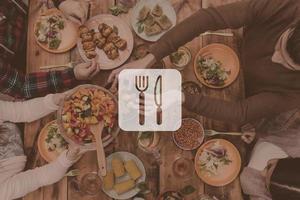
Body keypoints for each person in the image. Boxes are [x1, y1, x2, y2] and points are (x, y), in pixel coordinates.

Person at [108, 0, 300, 126]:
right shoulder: (288, 6)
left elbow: (241, 112)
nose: (274, 58)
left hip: (252, 93)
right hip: (236, 47)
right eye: (280, 45)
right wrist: (149, 58)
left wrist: (180, 98)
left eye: (288, 64)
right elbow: (210, 18)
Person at [0, 0, 100, 99]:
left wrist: (61, 3)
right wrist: (73, 75)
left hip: (31, 18)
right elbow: (21, 86)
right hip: (23, 66)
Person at [0, 91, 85, 200]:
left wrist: (52, 101)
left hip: (21, 128)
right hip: (36, 168)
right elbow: (39, 177)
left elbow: (22, 111)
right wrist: (67, 158)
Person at [240, 108, 300, 200]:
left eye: (267, 186)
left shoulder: (253, 185)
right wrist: (255, 132)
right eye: (269, 167)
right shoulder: (296, 139)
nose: (262, 173)